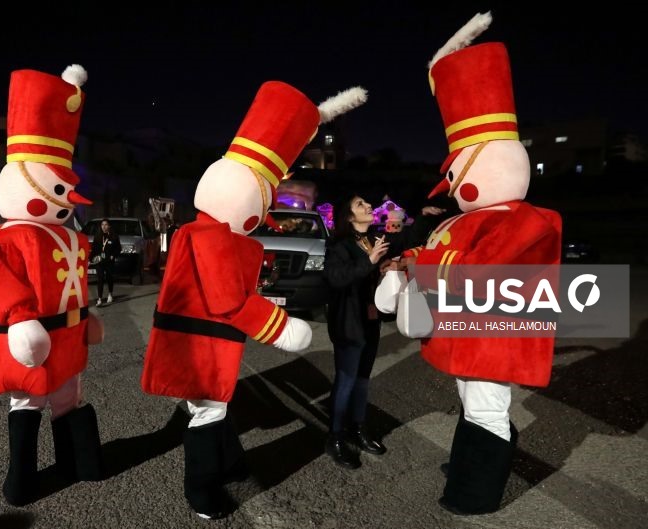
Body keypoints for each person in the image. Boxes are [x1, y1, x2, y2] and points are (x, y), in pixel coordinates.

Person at [141, 81, 367, 520]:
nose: (265, 209)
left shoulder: (199, 229)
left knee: (215, 408)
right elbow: (229, 301)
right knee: (206, 415)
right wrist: (283, 327)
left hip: (194, 342)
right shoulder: (217, 238)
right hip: (200, 347)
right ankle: (201, 490)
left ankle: (229, 463)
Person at [378, 13, 562, 515]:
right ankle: (470, 464)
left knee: (487, 411)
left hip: (494, 336)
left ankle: (476, 491)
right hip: (470, 333)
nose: (453, 183)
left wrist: (417, 269)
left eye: (458, 171)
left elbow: (479, 272)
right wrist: (407, 262)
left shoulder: (527, 221)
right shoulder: (472, 218)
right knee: (474, 405)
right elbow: (434, 251)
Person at [0, 64, 106, 506]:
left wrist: (85, 315)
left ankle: (77, 465)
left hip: (66, 338)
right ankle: (22, 479)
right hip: (29, 339)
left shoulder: (72, 237)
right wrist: (18, 316)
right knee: (26, 406)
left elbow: (73, 284)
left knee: (69, 400)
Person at [323, 194, 392, 469]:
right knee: (347, 379)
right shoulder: (339, 245)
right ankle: (335, 436)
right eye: (361, 204)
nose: (369, 207)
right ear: (350, 216)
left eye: (367, 203)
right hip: (348, 322)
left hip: (370, 320)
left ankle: (359, 428)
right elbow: (336, 279)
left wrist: (387, 266)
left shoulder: (375, 240)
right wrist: (370, 261)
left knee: (363, 379)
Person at [91, 218, 121, 306]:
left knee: (109, 278)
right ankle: (99, 299)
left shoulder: (114, 236)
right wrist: (91, 259)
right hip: (99, 262)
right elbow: (94, 250)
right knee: (100, 279)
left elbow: (118, 249)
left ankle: (110, 294)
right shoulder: (97, 236)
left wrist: (113, 255)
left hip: (109, 261)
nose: (104, 226)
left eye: (106, 225)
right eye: (102, 225)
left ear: (109, 226)